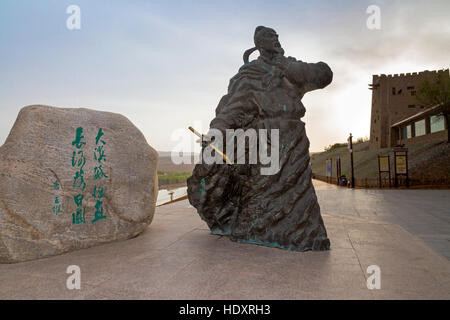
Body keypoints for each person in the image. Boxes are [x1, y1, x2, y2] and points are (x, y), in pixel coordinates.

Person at [187, 26, 332, 251]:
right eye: (270, 38)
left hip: (292, 139)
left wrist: (289, 67)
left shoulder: (290, 67)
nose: (276, 41)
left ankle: (300, 233)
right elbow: (233, 110)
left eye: (277, 37)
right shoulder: (249, 74)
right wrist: (216, 132)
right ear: (260, 44)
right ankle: (254, 228)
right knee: (260, 193)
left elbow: (324, 74)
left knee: (296, 194)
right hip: (263, 140)